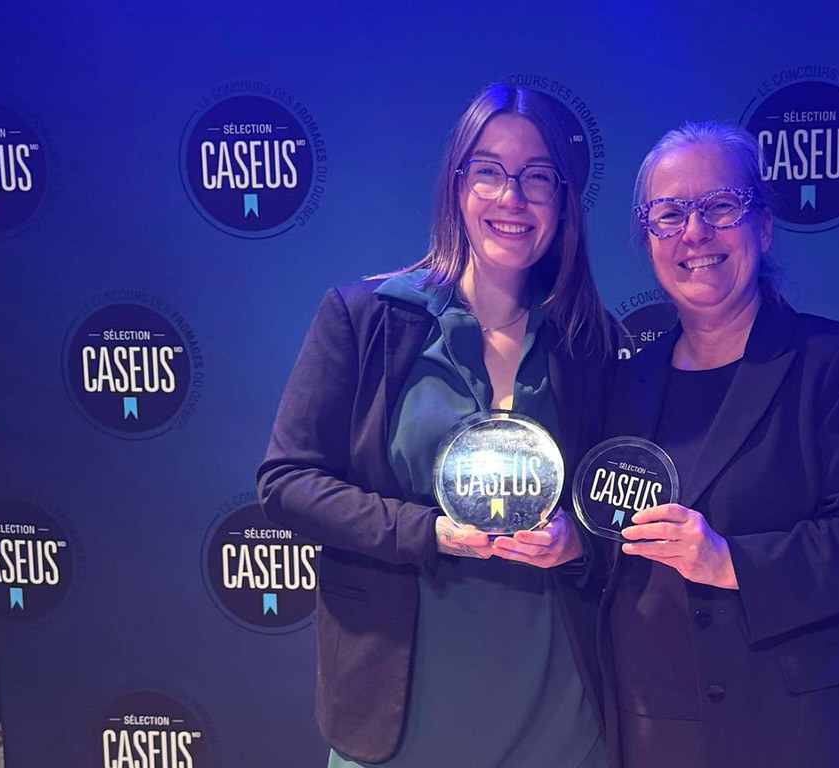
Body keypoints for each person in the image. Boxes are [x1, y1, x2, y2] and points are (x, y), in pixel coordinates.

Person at [257, 83, 613, 767]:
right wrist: (429, 531)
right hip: (398, 715)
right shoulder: (365, 320)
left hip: (561, 718)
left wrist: (579, 544)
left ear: (564, 200)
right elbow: (286, 481)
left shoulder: (593, 342)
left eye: (538, 177)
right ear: (456, 186)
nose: (512, 197)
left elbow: (619, 515)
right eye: (488, 171)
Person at [599, 122, 839, 768]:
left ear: (763, 226)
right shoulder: (624, 381)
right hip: (657, 735)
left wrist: (728, 560)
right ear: (649, 236)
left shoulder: (838, 362)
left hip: (802, 735)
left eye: (719, 206)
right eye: (670, 214)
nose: (695, 233)